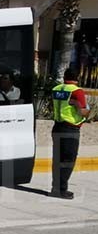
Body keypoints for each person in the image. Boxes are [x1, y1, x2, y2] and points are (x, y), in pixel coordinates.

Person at [50, 68, 90, 199]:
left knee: (57, 159)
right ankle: (61, 190)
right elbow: (82, 112)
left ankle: (55, 188)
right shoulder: (77, 91)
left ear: (64, 77)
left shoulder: (56, 89)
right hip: (70, 129)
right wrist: (86, 109)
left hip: (57, 126)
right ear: (77, 77)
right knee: (68, 160)